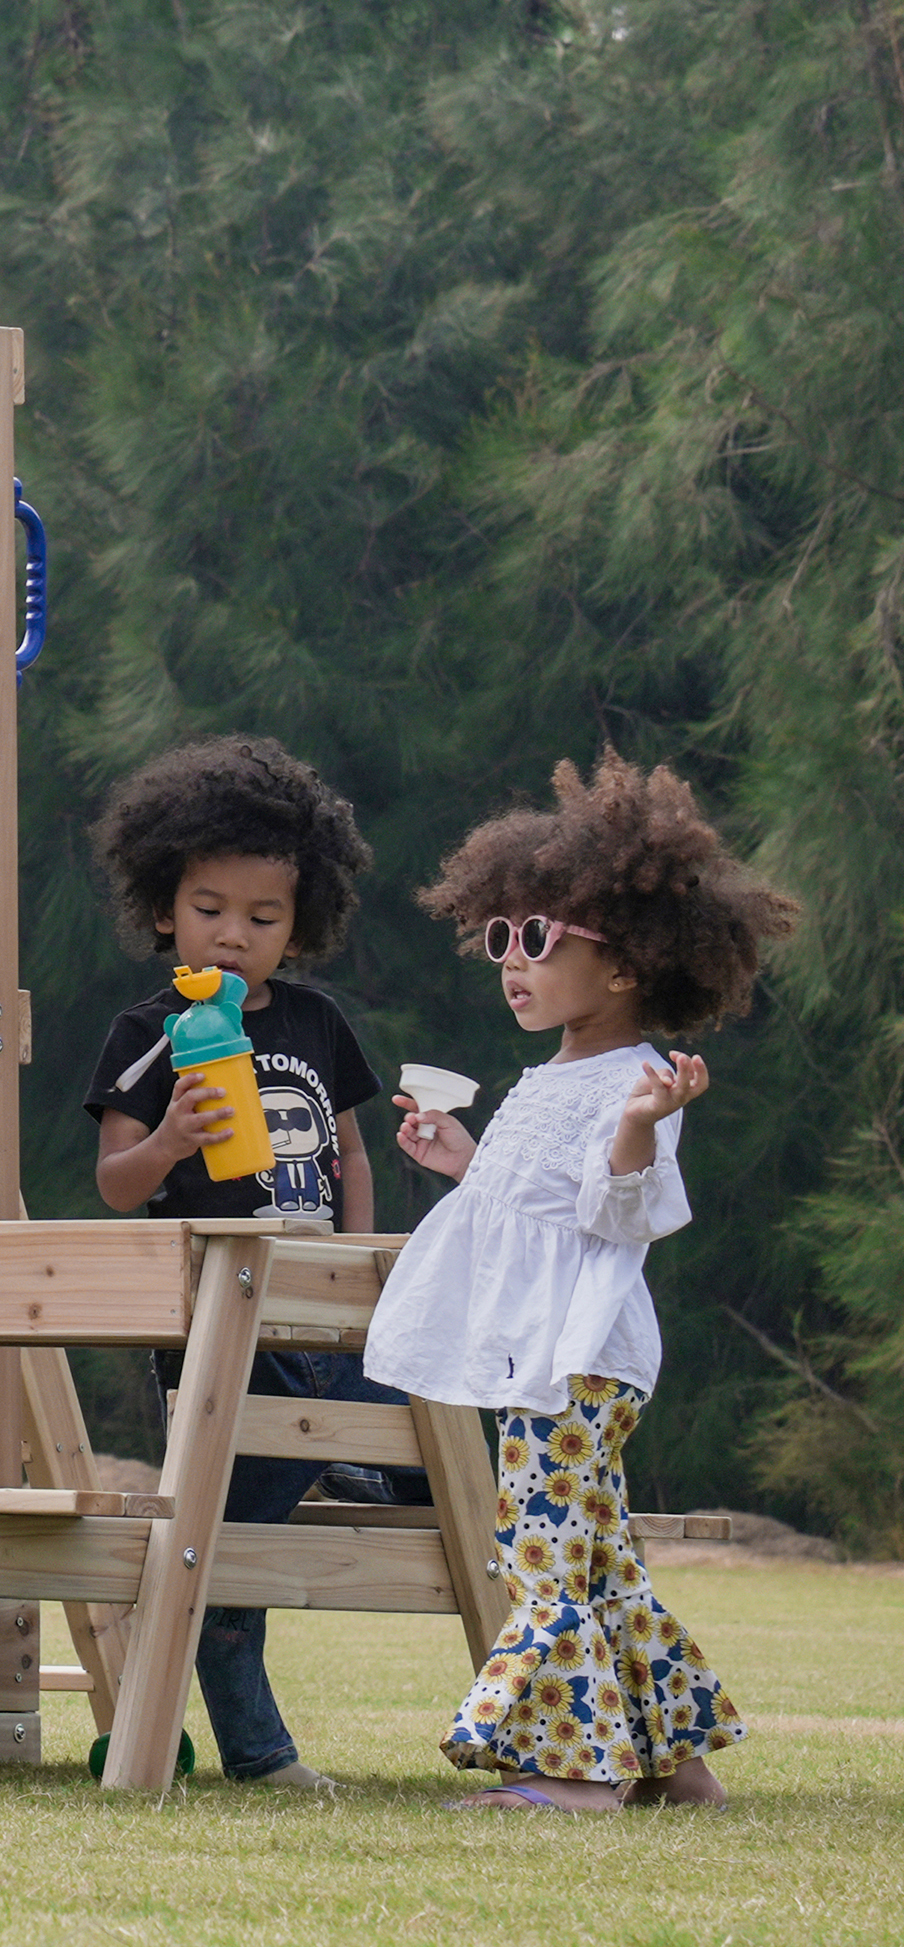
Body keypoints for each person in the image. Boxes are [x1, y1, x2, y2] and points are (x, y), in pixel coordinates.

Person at [377, 749, 790, 1813]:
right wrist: (464, 1162)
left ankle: (570, 1775)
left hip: (574, 1363)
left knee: (542, 1555)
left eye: (538, 939)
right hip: (548, 1356)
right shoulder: (550, 1075)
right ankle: (676, 1765)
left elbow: (619, 1215)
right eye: (500, 939)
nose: (510, 961)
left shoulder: (633, 1084)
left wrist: (640, 1130)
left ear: (625, 968)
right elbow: (536, 1211)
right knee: (596, 1557)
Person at [78, 733, 411, 1792]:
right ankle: (260, 1756)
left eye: (263, 919)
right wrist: (171, 1140)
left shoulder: (316, 1021)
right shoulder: (150, 1030)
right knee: (223, 1547)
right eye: (210, 909)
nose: (233, 935)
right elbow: (116, 1182)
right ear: (163, 910)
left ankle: (351, 1464)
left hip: (324, 1314)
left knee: (435, 1455)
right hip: (219, 1328)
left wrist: (360, 1268)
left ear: (298, 927)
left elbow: (350, 1151)